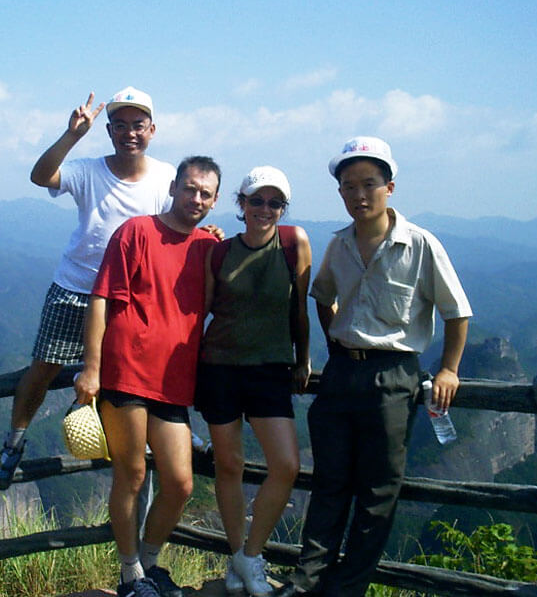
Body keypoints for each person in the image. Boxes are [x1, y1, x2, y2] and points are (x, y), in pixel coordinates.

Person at [284, 136, 473, 597]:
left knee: (377, 493)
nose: (360, 195)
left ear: (390, 187)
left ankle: (346, 588)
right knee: (330, 483)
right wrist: (337, 342)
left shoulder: (421, 245)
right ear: (341, 194)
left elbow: (457, 311)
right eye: (350, 187)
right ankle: (306, 582)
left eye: (369, 184)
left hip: (394, 375)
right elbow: (322, 296)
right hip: (343, 372)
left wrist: (448, 369)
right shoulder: (340, 245)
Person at [0, 86, 177, 488]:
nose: (130, 133)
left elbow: (178, 222)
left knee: (132, 373)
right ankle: (13, 443)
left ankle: (149, 435)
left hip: (128, 295)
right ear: (108, 131)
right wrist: (72, 134)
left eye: (138, 125)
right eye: (121, 125)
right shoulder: (89, 170)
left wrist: (208, 231)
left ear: (152, 130)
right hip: (75, 287)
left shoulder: (166, 176)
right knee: (43, 368)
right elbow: (41, 176)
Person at [74, 156, 222, 597]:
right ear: (174, 187)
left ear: (214, 201)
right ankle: (129, 572)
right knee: (132, 474)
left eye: (206, 193)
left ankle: (151, 563)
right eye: (190, 188)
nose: (196, 199)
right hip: (125, 371)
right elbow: (100, 298)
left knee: (180, 483)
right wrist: (92, 367)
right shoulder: (136, 232)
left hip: (173, 381)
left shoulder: (208, 248)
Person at [195, 166, 312, 596]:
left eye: (274, 202)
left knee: (286, 465)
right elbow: (203, 310)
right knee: (229, 466)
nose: (265, 209)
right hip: (220, 366)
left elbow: (299, 307)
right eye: (256, 200)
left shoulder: (293, 243)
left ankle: (250, 555)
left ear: (283, 207)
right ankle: (238, 557)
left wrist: (303, 360)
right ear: (240, 204)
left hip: (270, 368)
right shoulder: (218, 251)